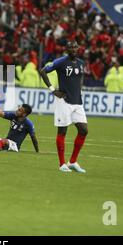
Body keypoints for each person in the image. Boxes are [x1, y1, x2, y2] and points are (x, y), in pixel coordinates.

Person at [39, 41, 88, 173]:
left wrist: (79, 91)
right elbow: (43, 71)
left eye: (75, 47)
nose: (73, 49)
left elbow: (79, 79)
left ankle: (72, 162)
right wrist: (53, 90)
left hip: (77, 101)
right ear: (66, 49)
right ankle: (62, 164)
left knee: (83, 130)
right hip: (64, 101)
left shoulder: (81, 63)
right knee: (62, 132)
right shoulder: (60, 62)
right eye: (71, 47)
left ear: (78, 48)